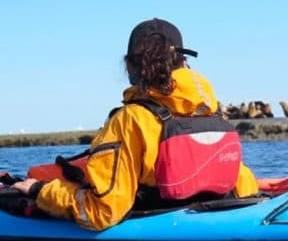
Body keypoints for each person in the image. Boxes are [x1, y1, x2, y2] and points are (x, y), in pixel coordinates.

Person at [12, 18, 259, 229]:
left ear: (130, 65)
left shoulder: (129, 120)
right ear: (183, 63)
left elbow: (103, 212)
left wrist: (40, 191)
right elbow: (244, 186)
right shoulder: (213, 113)